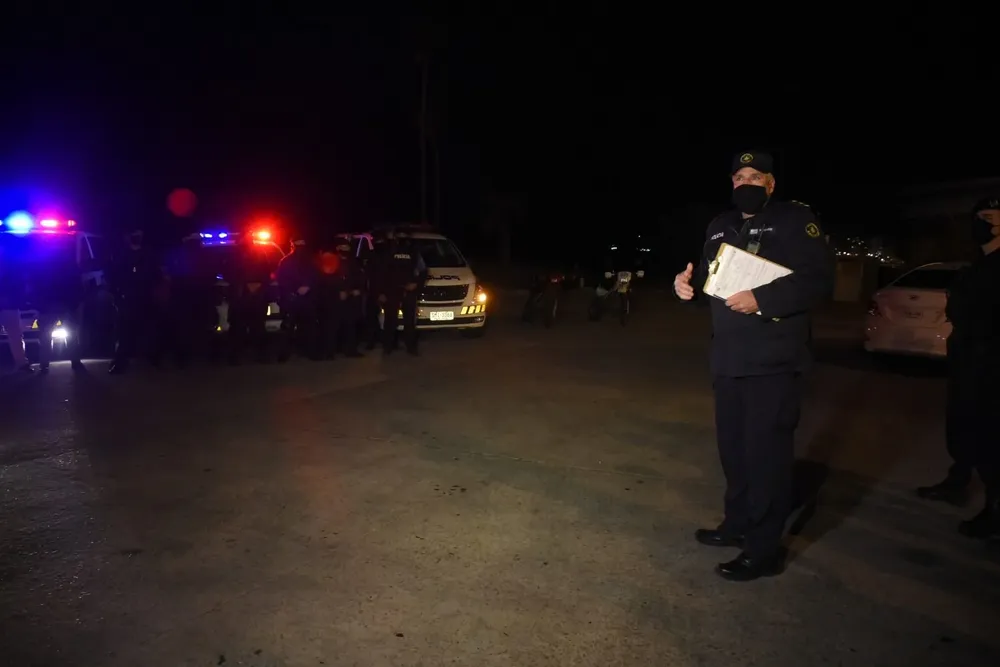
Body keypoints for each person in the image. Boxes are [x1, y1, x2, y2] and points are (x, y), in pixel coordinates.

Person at [673, 150, 835, 581]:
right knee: (734, 453)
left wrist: (763, 299)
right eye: (739, 176)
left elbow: (818, 280)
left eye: (754, 176)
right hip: (729, 359)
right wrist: (686, 287)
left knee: (766, 459)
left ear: (771, 183)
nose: (745, 182)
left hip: (774, 360)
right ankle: (737, 524)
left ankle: (763, 550)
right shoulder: (719, 225)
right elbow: (711, 282)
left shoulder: (795, 220)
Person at [916, 197, 1000, 540]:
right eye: (979, 216)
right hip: (967, 359)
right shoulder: (979, 264)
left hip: (991, 363)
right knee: (962, 424)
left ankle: (995, 511)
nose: (981, 222)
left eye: (990, 217)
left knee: (989, 434)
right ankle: (957, 482)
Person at [107, 228, 161, 375]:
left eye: (139, 235)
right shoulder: (123, 256)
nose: (137, 237)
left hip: (144, 298)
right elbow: (114, 276)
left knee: (147, 330)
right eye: (135, 235)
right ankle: (121, 362)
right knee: (125, 331)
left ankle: (151, 360)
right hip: (128, 298)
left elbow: (156, 276)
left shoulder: (147, 255)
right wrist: (117, 294)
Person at [370, 231, 424, 356]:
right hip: (391, 291)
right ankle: (388, 347)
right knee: (390, 320)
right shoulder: (387, 252)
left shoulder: (413, 252)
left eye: (404, 236)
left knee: (409, 321)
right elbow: (379, 274)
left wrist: (416, 284)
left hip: (408, 291)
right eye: (400, 237)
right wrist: (380, 292)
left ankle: (411, 347)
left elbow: (423, 271)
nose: (402, 239)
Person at [34, 255, 85, 372]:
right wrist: (77, 301)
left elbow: (37, 285)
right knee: (71, 334)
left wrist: (38, 305)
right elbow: (76, 282)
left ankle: (44, 363)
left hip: (49, 305)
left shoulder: (43, 265)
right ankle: (75, 362)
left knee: (46, 335)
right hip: (66, 304)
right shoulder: (68, 263)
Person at [276, 234, 319, 359]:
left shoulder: (312, 261)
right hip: (292, 299)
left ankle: (309, 352)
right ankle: (284, 354)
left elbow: (316, 276)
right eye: (298, 244)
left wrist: (308, 286)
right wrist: (295, 289)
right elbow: (282, 279)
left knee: (309, 327)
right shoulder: (286, 261)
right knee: (288, 327)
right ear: (293, 245)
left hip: (308, 299)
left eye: (302, 244)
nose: (300, 247)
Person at [0, 246, 31, 373]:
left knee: (15, 335)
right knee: (15, 336)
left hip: (9, 305)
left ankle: (21, 363)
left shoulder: (11, 268)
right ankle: (21, 363)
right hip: (10, 306)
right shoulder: (12, 267)